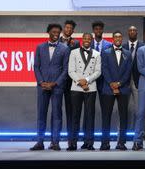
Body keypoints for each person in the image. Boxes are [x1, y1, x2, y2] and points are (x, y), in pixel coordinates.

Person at [30, 24, 70, 151]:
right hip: (42, 86)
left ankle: (55, 142)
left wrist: (55, 83)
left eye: (58, 32)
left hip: (57, 87)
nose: (56, 34)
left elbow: (65, 69)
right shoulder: (40, 47)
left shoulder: (64, 49)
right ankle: (40, 142)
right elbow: (36, 67)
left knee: (57, 115)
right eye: (53, 31)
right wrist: (41, 82)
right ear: (48, 32)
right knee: (41, 114)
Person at [67, 32, 101, 151]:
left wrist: (86, 80)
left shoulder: (97, 54)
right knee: (75, 116)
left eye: (89, 38)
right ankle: (72, 143)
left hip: (90, 88)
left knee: (89, 116)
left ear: (92, 40)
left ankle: (89, 143)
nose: (87, 40)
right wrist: (80, 82)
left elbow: (98, 71)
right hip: (76, 87)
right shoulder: (73, 52)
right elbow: (71, 70)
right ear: (82, 40)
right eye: (85, 38)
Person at [99, 31, 132, 151]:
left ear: (121, 38)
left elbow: (128, 71)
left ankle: (121, 143)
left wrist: (119, 84)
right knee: (106, 116)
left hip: (123, 88)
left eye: (120, 36)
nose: (118, 38)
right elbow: (104, 69)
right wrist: (112, 83)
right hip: (108, 88)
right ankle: (105, 143)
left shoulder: (128, 54)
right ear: (112, 39)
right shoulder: (105, 52)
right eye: (116, 37)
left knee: (123, 117)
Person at [58, 20, 80, 150]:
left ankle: (71, 141)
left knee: (71, 112)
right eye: (66, 27)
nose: (68, 30)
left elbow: (77, 61)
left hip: (70, 82)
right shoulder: (56, 40)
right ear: (63, 29)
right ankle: (54, 140)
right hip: (57, 81)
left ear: (73, 31)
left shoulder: (76, 43)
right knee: (56, 112)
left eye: (71, 28)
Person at [122, 26, 145, 130]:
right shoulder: (122, 46)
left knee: (139, 110)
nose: (132, 32)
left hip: (138, 81)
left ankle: (139, 136)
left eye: (134, 30)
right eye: (130, 30)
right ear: (128, 32)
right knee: (122, 109)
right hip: (124, 82)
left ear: (137, 32)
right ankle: (120, 136)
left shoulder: (143, 46)